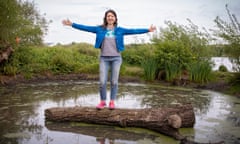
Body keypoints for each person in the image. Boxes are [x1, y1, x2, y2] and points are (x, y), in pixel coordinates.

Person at [62, 9, 156, 110]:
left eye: (112, 16)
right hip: (104, 58)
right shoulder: (99, 29)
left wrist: (147, 30)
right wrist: (72, 24)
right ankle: (103, 102)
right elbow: (86, 28)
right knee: (102, 81)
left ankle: (112, 102)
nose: (110, 17)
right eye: (108, 16)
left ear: (115, 18)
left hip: (116, 58)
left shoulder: (120, 30)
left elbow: (134, 30)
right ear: (106, 18)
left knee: (114, 81)